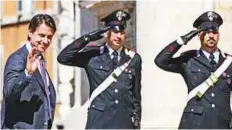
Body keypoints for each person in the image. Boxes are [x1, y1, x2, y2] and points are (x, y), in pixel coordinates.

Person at [57, 9, 142, 129]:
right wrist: (88, 38)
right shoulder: (93, 55)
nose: (118, 36)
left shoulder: (134, 58)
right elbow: (63, 58)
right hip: (99, 122)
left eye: (122, 32)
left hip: (124, 122)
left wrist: (137, 121)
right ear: (107, 32)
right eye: (114, 31)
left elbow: (136, 95)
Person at [155, 11, 232, 129]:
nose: (211, 36)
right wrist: (182, 40)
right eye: (206, 32)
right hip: (194, 124)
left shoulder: (229, 62)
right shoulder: (188, 59)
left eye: (215, 32)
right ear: (199, 35)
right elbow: (160, 61)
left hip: (221, 124)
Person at [1, 14, 57, 129]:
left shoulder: (39, 60)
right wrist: (27, 73)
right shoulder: (17, 58)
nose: (46, 41)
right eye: (42, 35)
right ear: (30, 32)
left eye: (49, 37)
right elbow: (9, 93)